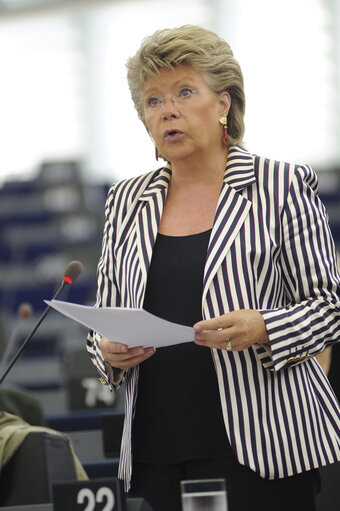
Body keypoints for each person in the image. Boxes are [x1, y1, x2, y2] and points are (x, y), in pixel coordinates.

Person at [87, 25, 340, 511]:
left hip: (263, 446)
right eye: (153, 101)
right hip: (157, 448)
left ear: (223, 103)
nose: (168, 110)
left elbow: (329, 308)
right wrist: (107, 351)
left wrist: (266, 324)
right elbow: (105, 319)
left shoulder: (280, 185)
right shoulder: (125, 200)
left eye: (185, 92)